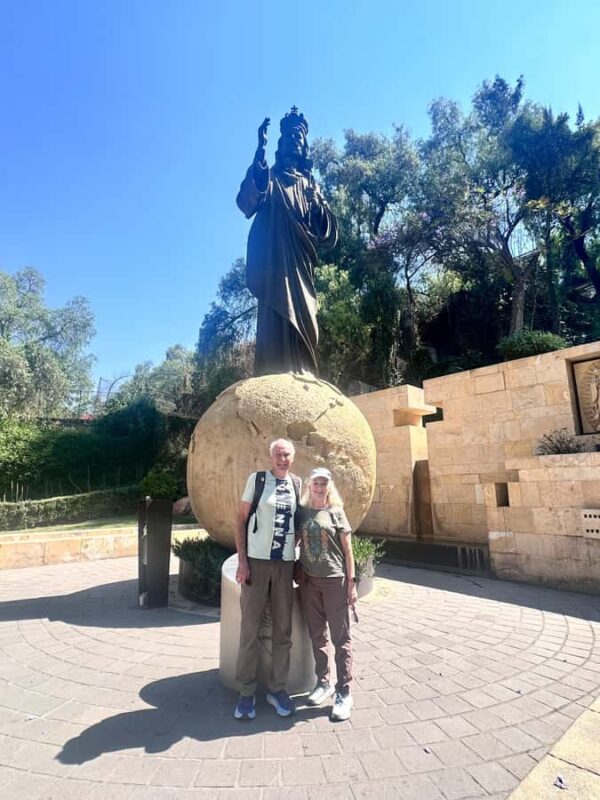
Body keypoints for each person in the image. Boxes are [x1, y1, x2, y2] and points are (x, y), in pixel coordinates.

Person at [236, 107, 338, 376]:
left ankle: (303, 371)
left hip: (301, 264)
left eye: (299, 136)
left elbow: (327, 232)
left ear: (304, 146)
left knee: (305, 318)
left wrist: (317, 206)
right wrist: (260, 153)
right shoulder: (270, 177)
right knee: (274, 316)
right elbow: (247, 201)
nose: (294, 139)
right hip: (274, 264)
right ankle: (273, 371)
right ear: (281, 144)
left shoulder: (311, 185)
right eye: (289, 136)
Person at [233, 438, 301, 720]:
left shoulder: (297, 484)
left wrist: (292, 547)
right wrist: (243, 560)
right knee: (250, 628)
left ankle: (277, 689)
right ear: (270, 457)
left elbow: (300, 523)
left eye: (286, 455)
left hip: (284, 565)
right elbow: (240, 519)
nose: (282, 459)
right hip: (257, 565)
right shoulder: (258, 480)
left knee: (282, 631)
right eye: (277, 455)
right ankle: (246, 692)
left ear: (292, 458)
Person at [298, 467, 357, 721]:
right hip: (310, 582)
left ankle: (344, 691)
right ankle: (323, 682)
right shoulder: (303, 513)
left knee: (340, 637)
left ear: (329, 486)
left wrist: (352, 582)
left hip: (334, 580)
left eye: (324, 483)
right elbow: (295, 543)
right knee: (316, 635)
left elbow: (348, 549)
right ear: (309, 486)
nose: (320, 487)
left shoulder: (336, 512)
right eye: (316, 483)